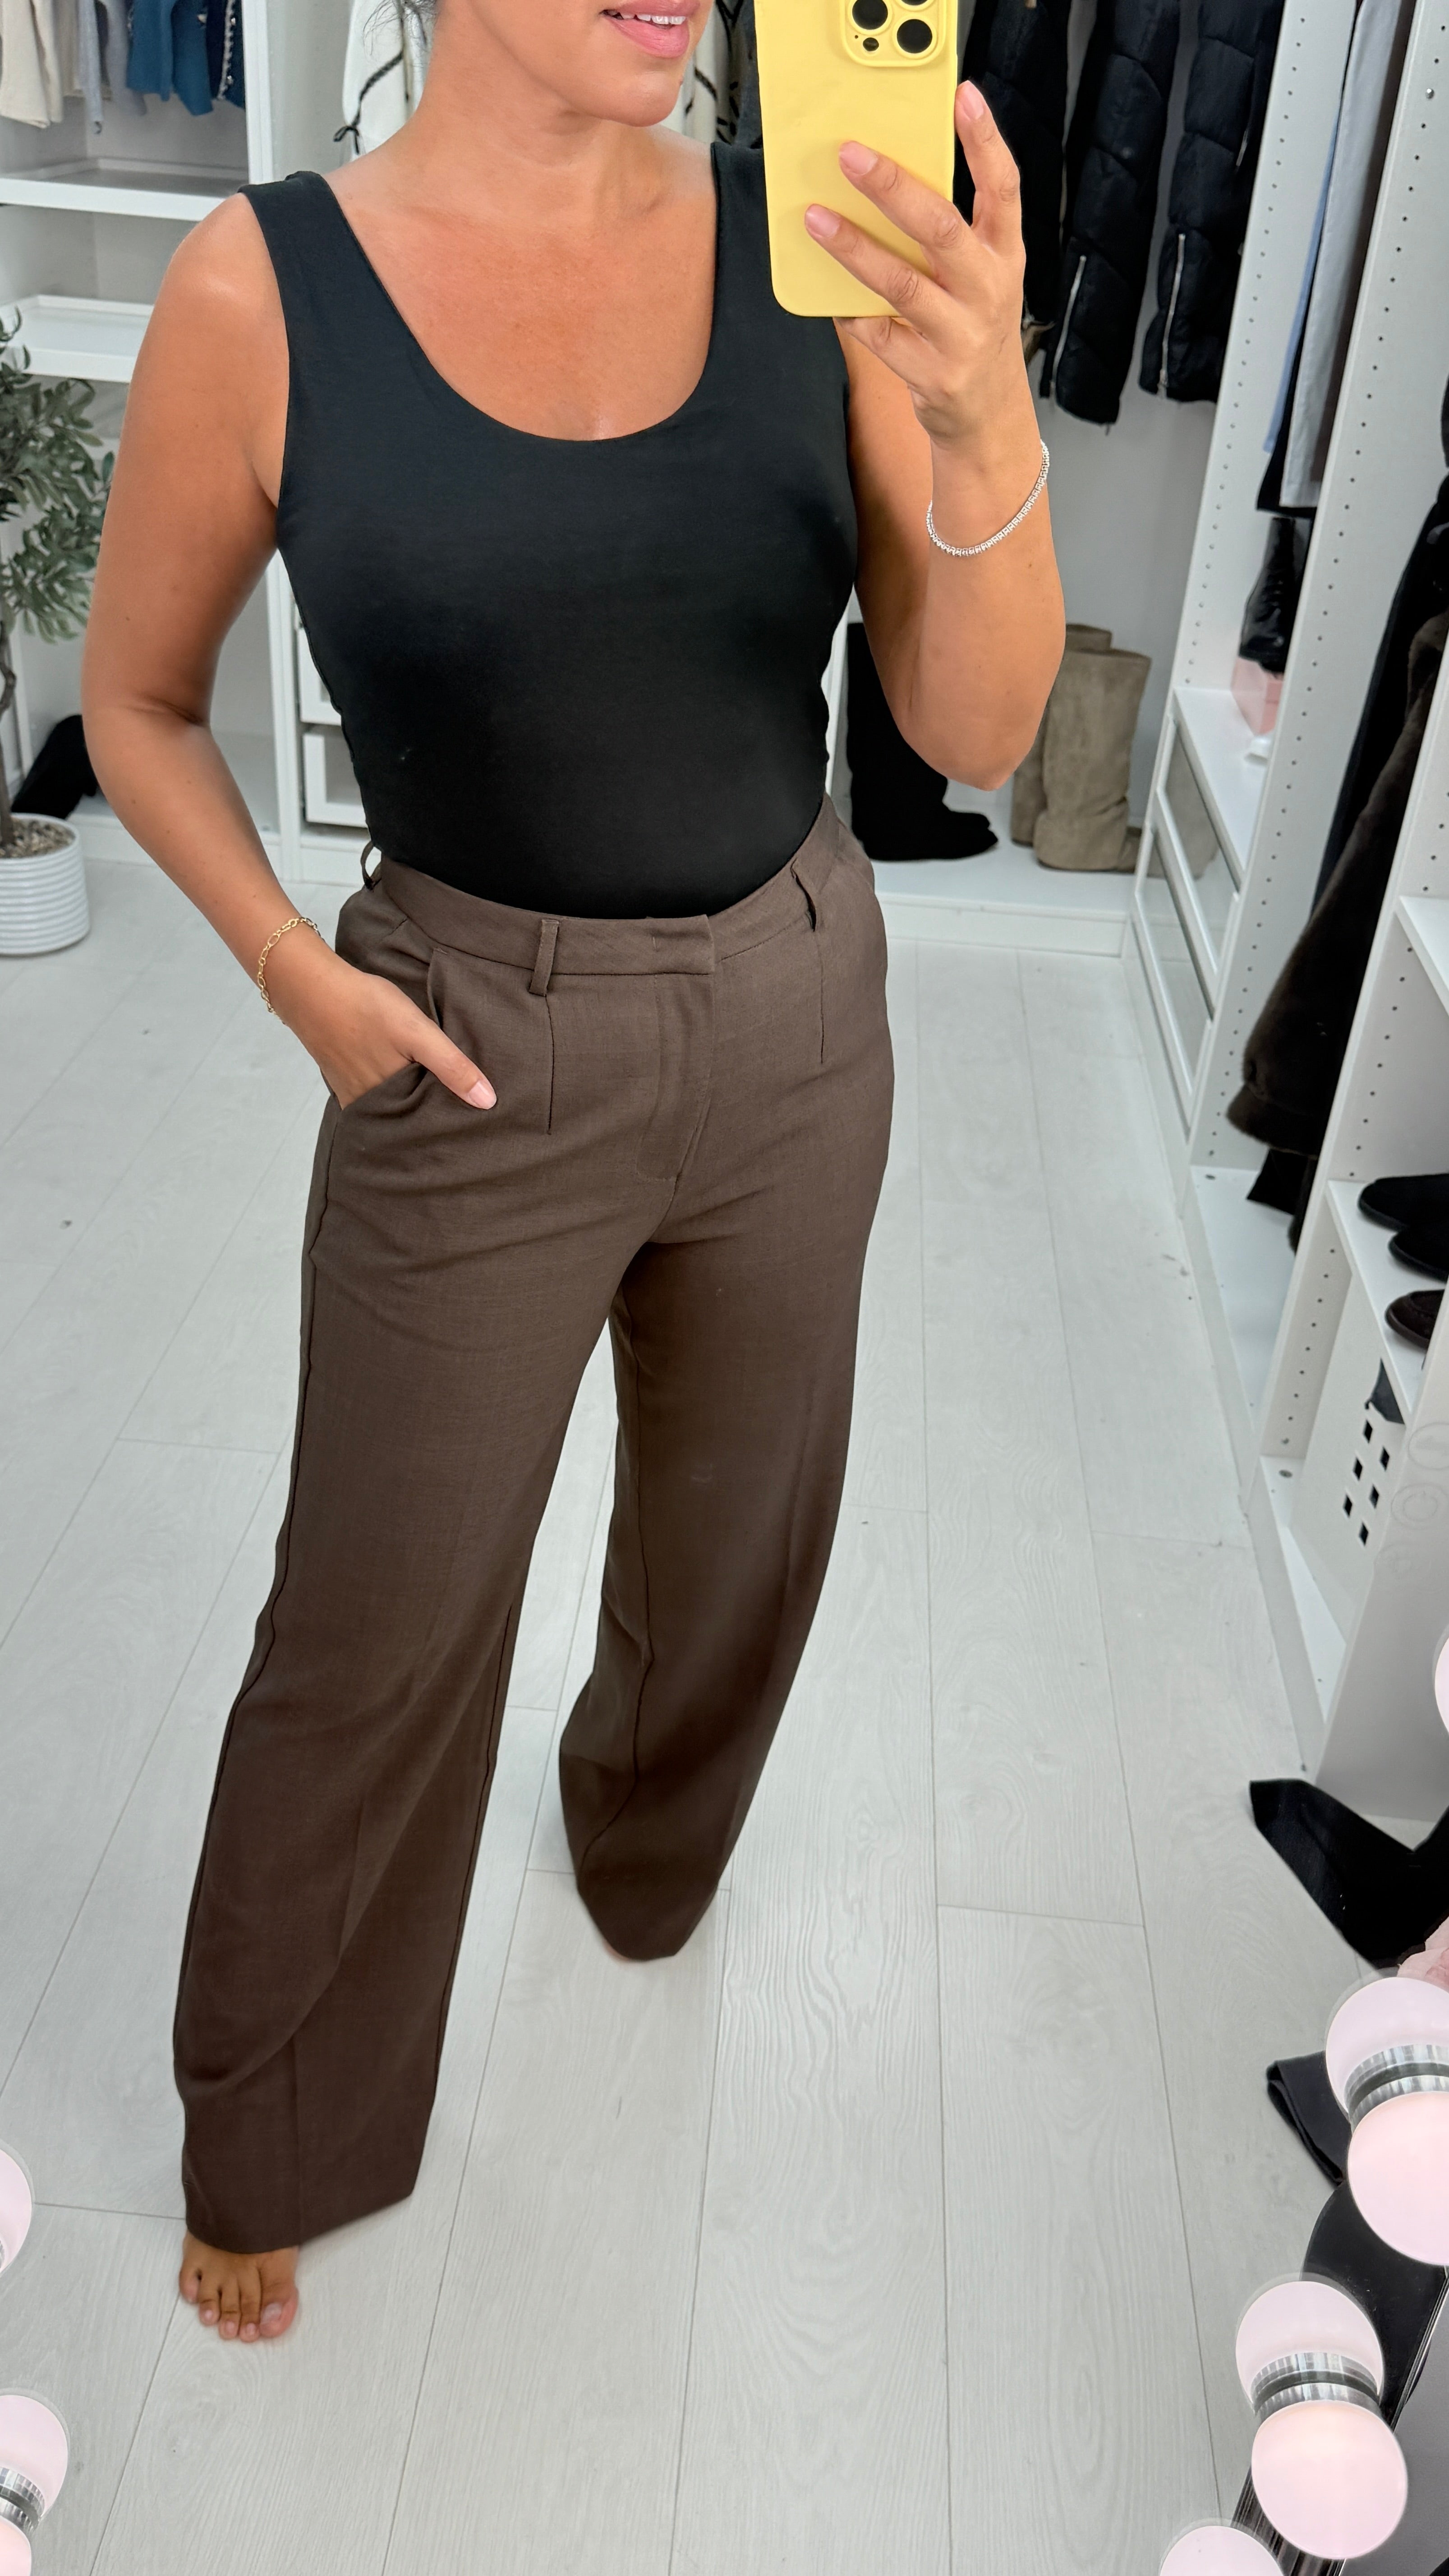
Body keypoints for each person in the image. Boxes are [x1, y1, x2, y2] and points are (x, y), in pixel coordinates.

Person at [81, 0, 1063, 2346]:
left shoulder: (808, 249)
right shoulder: (261, 289)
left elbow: (977, 727)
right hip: (463, 1053)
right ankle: (278, 2124)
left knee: (741, 1539)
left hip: (796, 1012)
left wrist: (983, 412)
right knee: (375, 1625)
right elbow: (137, 699)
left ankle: (644, 1847)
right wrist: (302, 980)